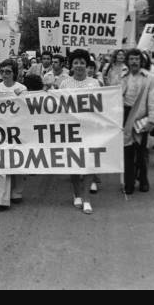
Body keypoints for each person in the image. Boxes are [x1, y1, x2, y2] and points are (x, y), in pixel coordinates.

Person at [58, 49, 100, 214]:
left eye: (82, 62)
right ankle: (77, 194)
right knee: (74, 163)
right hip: (71, 129)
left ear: (87, 65)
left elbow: (100, 106)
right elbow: (57, 106)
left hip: (89, 129)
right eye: (76, 62)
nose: (79, 65)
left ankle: (87, 198)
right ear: (71, 65)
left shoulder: (95, 83)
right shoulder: (64, 84)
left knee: (89, 164)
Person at [0, 58, 27, 212]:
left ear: (14, 73)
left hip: (17, 131)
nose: (5, 74)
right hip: (0, 131)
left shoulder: (22, 88)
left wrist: (22, 96)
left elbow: (29, 108)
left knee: (16, 160)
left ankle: (16, 191)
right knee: (1, 162)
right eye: (2, 71)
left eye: (8, 71)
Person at [120, 49, 154, 195]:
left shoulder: (150, 78)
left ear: (141, 61)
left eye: (137, 59)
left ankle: (143, 180)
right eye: (131, 59)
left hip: (141, 118)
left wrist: (151, 120)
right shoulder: (122, 76)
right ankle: (129, 183)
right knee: (127, 152)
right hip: (125, 118)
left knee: (141, 152)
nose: (134, 62)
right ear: (127, 62)